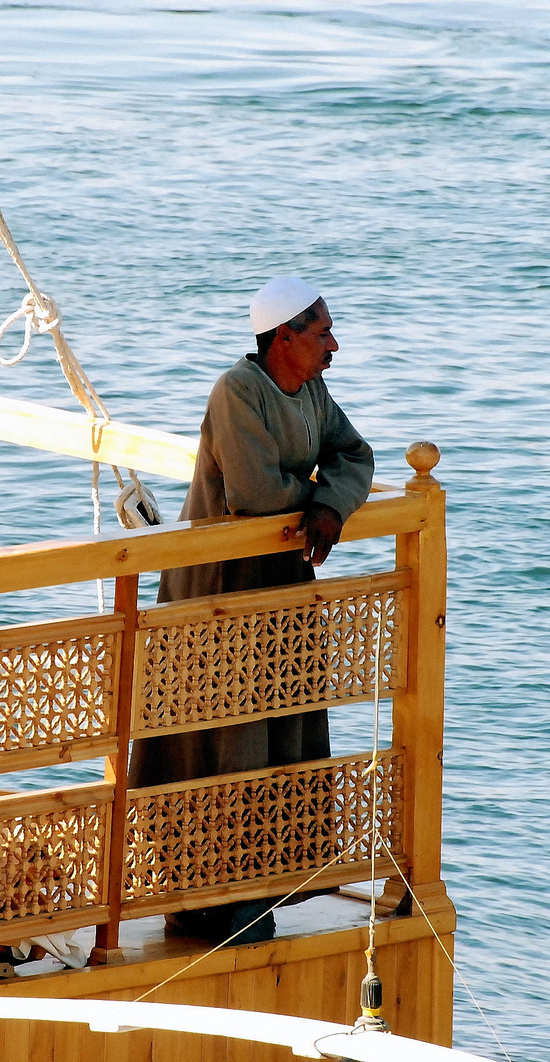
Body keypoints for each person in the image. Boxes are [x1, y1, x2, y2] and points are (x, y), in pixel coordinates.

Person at [130, 275, 374, 942]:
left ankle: (260, 884)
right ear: (284, 339)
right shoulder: (237, 391)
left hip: (279, 593)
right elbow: (258, 491)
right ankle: (202, 893)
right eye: (322, 333)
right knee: (215, 741)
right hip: (216, 594)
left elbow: (357, 455)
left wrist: (330, 505)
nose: (334, 345)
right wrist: (315, 493)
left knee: (278, 731)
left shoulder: (312, 391)